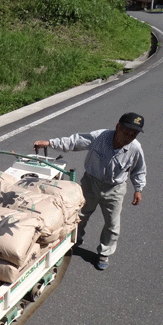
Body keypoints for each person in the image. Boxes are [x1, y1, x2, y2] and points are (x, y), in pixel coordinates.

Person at [34, 112, 147, 270]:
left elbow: (139, 170)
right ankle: (74, 241)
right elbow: (75, 141)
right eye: (126, 131)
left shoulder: (135, 149)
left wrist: (138, 189)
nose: (129, 136)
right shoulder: (100, 137)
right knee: (79, 215)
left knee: (112, 224)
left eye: (133, 134)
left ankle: (104, 253)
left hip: (114, 189)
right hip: (91, 182)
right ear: (118, 127)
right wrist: (49, 143)